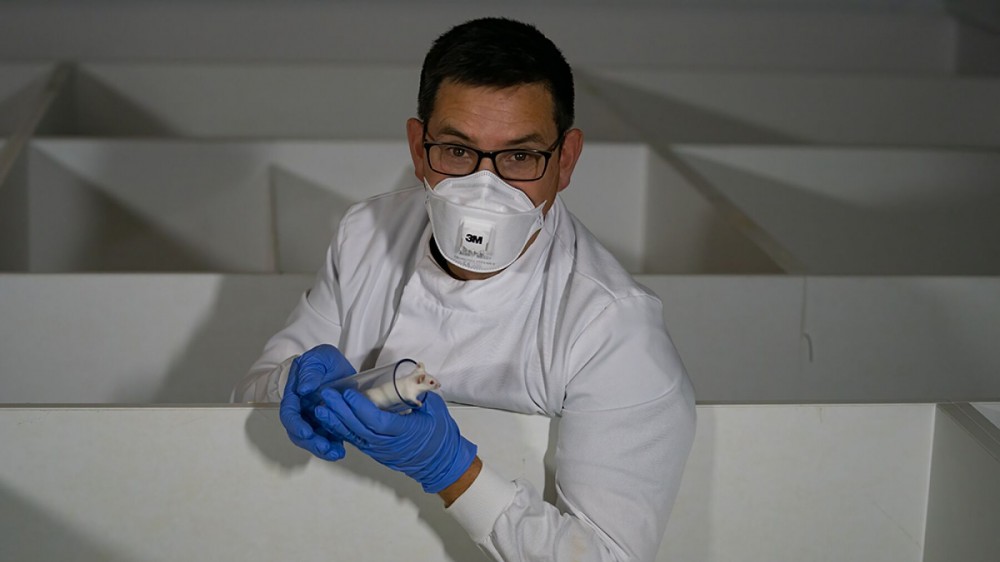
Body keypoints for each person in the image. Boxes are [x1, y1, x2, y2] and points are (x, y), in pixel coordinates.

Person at [234, 16, 696, 561]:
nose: (485, 187)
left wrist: (450, 468)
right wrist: (293, 384)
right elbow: (252, 394)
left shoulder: (612, 327)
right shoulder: (366, 236)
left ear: (565, 160)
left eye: (520, 157)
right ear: (417, 145)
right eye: (457, 152)